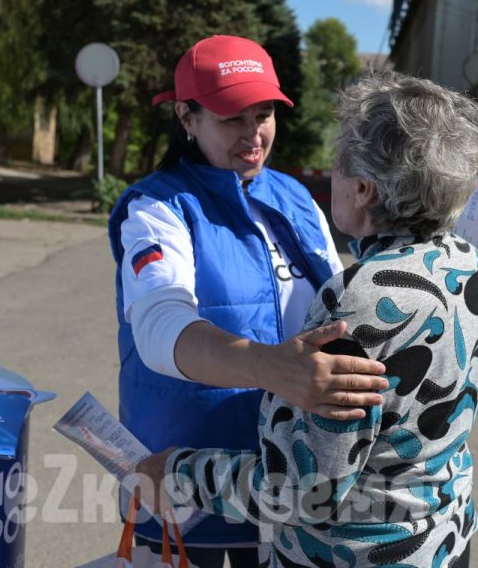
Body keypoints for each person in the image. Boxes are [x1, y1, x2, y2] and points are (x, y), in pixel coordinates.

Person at [136, 71, 478, 568]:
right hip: (445, 536)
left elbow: (302, 492)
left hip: (358, 554)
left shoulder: (360, 300)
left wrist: (176, 472)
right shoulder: (469, 262)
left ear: (365, 189)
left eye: (338, 163)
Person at [107, 35, 388, 567]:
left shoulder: (296, 196)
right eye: (232, 118)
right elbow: (159, 325)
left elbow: (337, 304)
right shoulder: (157, 206)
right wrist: (270, 367)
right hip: (183, 475)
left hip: (286, 480)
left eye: (263, 114)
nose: (253, 134)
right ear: (187, 119)